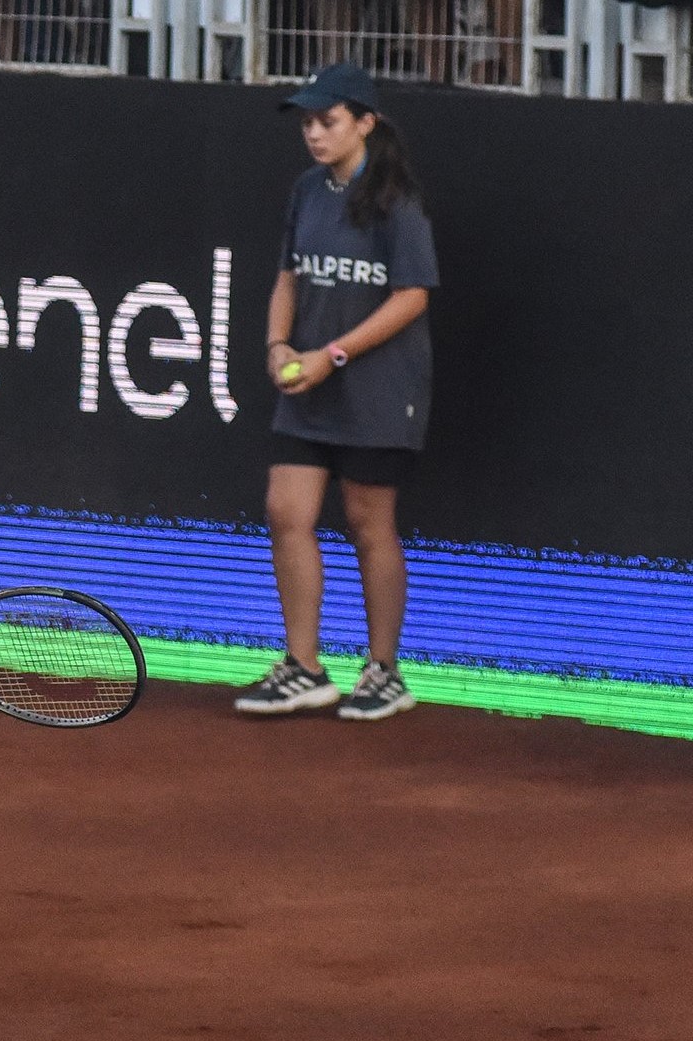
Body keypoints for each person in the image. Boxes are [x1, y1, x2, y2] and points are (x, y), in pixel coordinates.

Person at [234, 63, 437, 722]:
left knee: (366, 521)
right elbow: (287, 276)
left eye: (327, 121)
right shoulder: (305, 190)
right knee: (285, 509)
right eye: (307, 123)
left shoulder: (395, 201)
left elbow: (412, 296)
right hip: (308, 381)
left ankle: (383, 671)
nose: (314, 134)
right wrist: (277, 345)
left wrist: (333, 353)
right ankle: (304, 666)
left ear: (364, 123)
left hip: (377, 385)